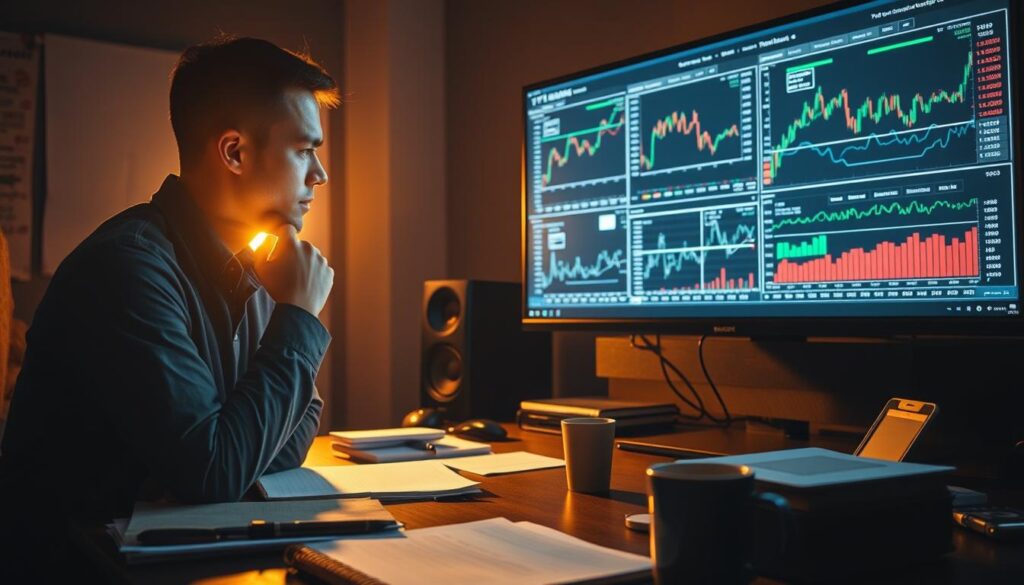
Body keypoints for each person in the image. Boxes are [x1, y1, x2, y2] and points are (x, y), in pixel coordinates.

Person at [0, 36, 338, 574]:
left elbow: (287, 441)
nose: (319, 174)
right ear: (234, 152)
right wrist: (297, 318)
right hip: (71, 566)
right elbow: (212, 473)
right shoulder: (127, 269)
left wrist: (282, 315)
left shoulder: (246, 268)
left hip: (166, 555)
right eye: (304, 150)